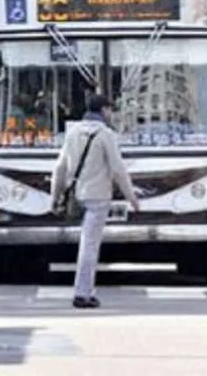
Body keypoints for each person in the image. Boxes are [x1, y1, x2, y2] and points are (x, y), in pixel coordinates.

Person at [51, 94, 141, 309]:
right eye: (110, 110)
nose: (111, 114)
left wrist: (54, 197)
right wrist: (132, 199)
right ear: (103, 110)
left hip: (77, 195)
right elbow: (118, 170)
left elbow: (60, 168)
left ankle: (84, 291)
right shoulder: (105, 135)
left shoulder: (72, 133)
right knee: (89, 246)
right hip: (98, 197)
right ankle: (82, 293)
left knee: (86, 244)